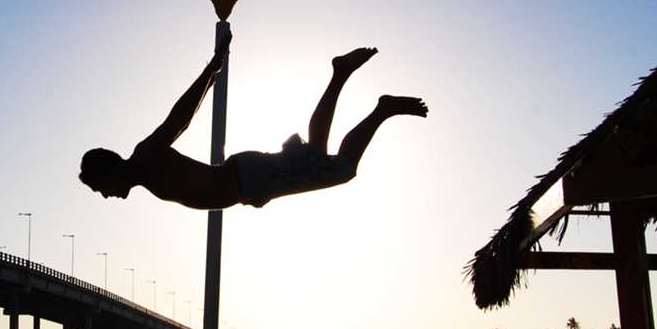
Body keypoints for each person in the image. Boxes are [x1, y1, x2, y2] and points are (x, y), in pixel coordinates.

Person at [79, 34, 427, 210]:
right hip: (251, 183)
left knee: (337, 166)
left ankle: (351, 83)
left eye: (99, 186)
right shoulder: (144, 172)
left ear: (109, 168)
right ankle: (370, 100)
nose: (105, 194)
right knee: (334, 165)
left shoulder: (145, 156)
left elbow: (179, 117)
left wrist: (212, 69)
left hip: (249, 177)